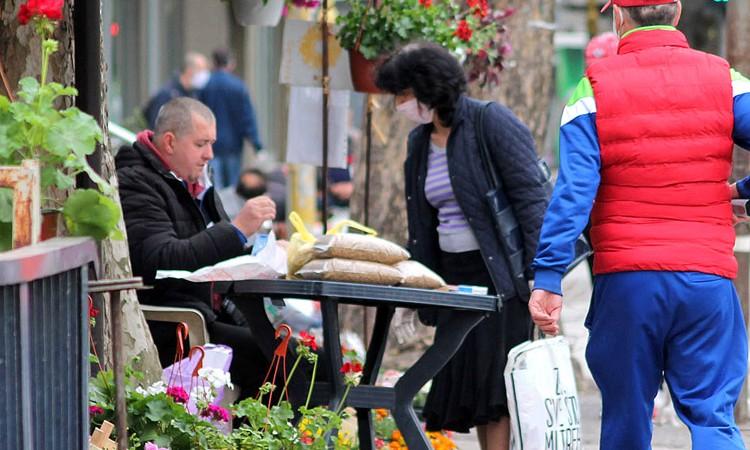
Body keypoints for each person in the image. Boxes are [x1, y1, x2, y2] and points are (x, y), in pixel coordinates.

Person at [530, 1, 750, 448]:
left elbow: (574, 192)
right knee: (711, 418)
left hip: (627, 283)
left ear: (618, 17)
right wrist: (744, 191)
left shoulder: (591, 89)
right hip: (705, 277)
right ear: (678, 12)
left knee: (627, 422)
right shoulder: (725, 78)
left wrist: (549, 276)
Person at [375, 43, 548, 450]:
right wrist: (417, 287)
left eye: (402, 94)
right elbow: (422, 221)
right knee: (473, 388)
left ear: (426, 89)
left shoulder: (489, 122)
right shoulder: (419, 143)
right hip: (454, 281)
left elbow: (532, 201)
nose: (398, 104)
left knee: (497, 389)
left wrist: (540, 278)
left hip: (500, 277)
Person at [116, 97, 277, 399]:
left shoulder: (194, 182)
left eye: (212, 143)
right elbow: (162, 260)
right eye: (201, 144)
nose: (210, 154)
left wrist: (262, 253)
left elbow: (215, 251)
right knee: (277, 362)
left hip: (209, 313)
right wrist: (237, 229)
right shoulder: (135, 183)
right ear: (169, 142)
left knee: (292, 353)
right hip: (175, 325)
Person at [200, 49, 264, 189]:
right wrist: (256, 144)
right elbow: (247, 118)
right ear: (231, 64)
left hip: (211, 144)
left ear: (213, 63)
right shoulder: (238, 86)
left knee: (213, 185)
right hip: (233, 145)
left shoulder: (205, 86)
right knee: (232, 187)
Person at [142, 52, 209, 129]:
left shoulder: (192, 93)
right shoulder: (167, 94)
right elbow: (156, 125)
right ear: (189, 70)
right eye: (202, 70)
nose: (204, 74)